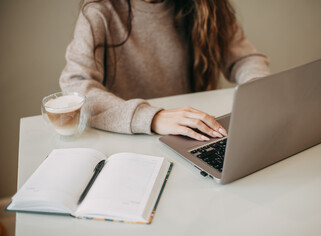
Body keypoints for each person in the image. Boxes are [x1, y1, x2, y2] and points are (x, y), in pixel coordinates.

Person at [59, 0, 270, 141]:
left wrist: (258, 91)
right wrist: (152, 117)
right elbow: (76, 86)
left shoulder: (208, 5)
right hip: (127, 137)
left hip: (189, 133)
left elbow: (246, 59)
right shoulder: (100, 9)